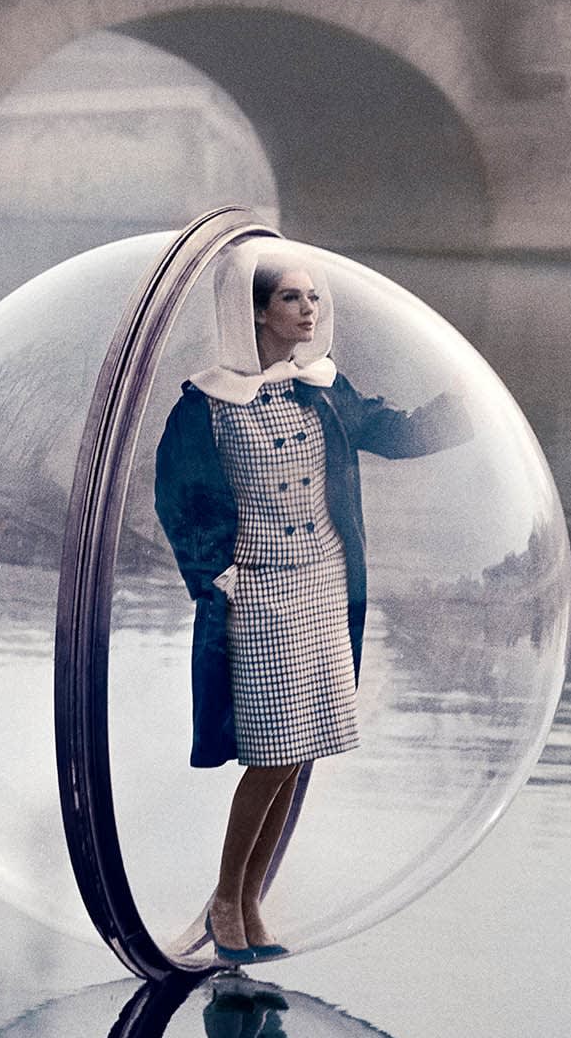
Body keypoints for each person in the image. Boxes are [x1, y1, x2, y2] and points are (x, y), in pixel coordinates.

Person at [154, 240, 469, 964]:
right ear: (256, 311)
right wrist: (218, 579)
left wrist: (465, 405)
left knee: (298, 756)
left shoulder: (323, 388)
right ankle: (227, 899)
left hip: (323, 583)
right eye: (291, 298)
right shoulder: (204, 407)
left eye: (313, 297)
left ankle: (248, 902)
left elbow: (394, 433)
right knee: (268, 754)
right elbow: (181, 502)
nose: (308, 310)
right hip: (258, 591)